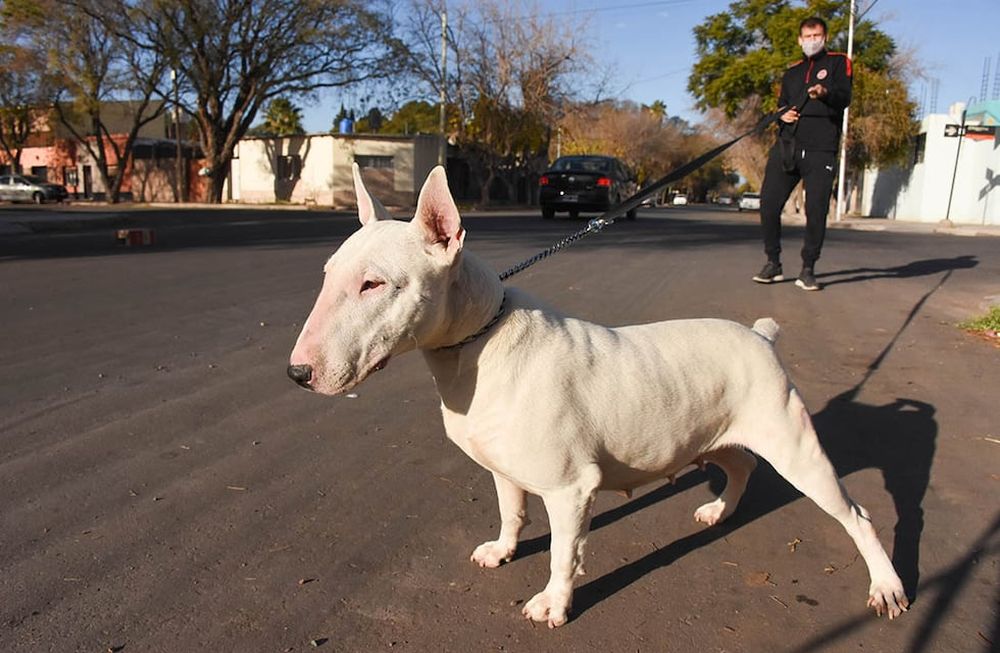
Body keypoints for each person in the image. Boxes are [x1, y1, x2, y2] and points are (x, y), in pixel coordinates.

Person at [752, 16, 853, 291]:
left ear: (825, 37)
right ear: (800, 40)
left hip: (821, 149)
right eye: (807, 37)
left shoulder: (838, 62)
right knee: (769, 204)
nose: (812, 41)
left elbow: (844, 98)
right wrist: (782, 115)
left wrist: (825, 92)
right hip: (788, 146)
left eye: (816, 36)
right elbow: (781, 105)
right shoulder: (792, 72)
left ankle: (808, 268)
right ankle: (773, 262)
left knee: (816, 210)